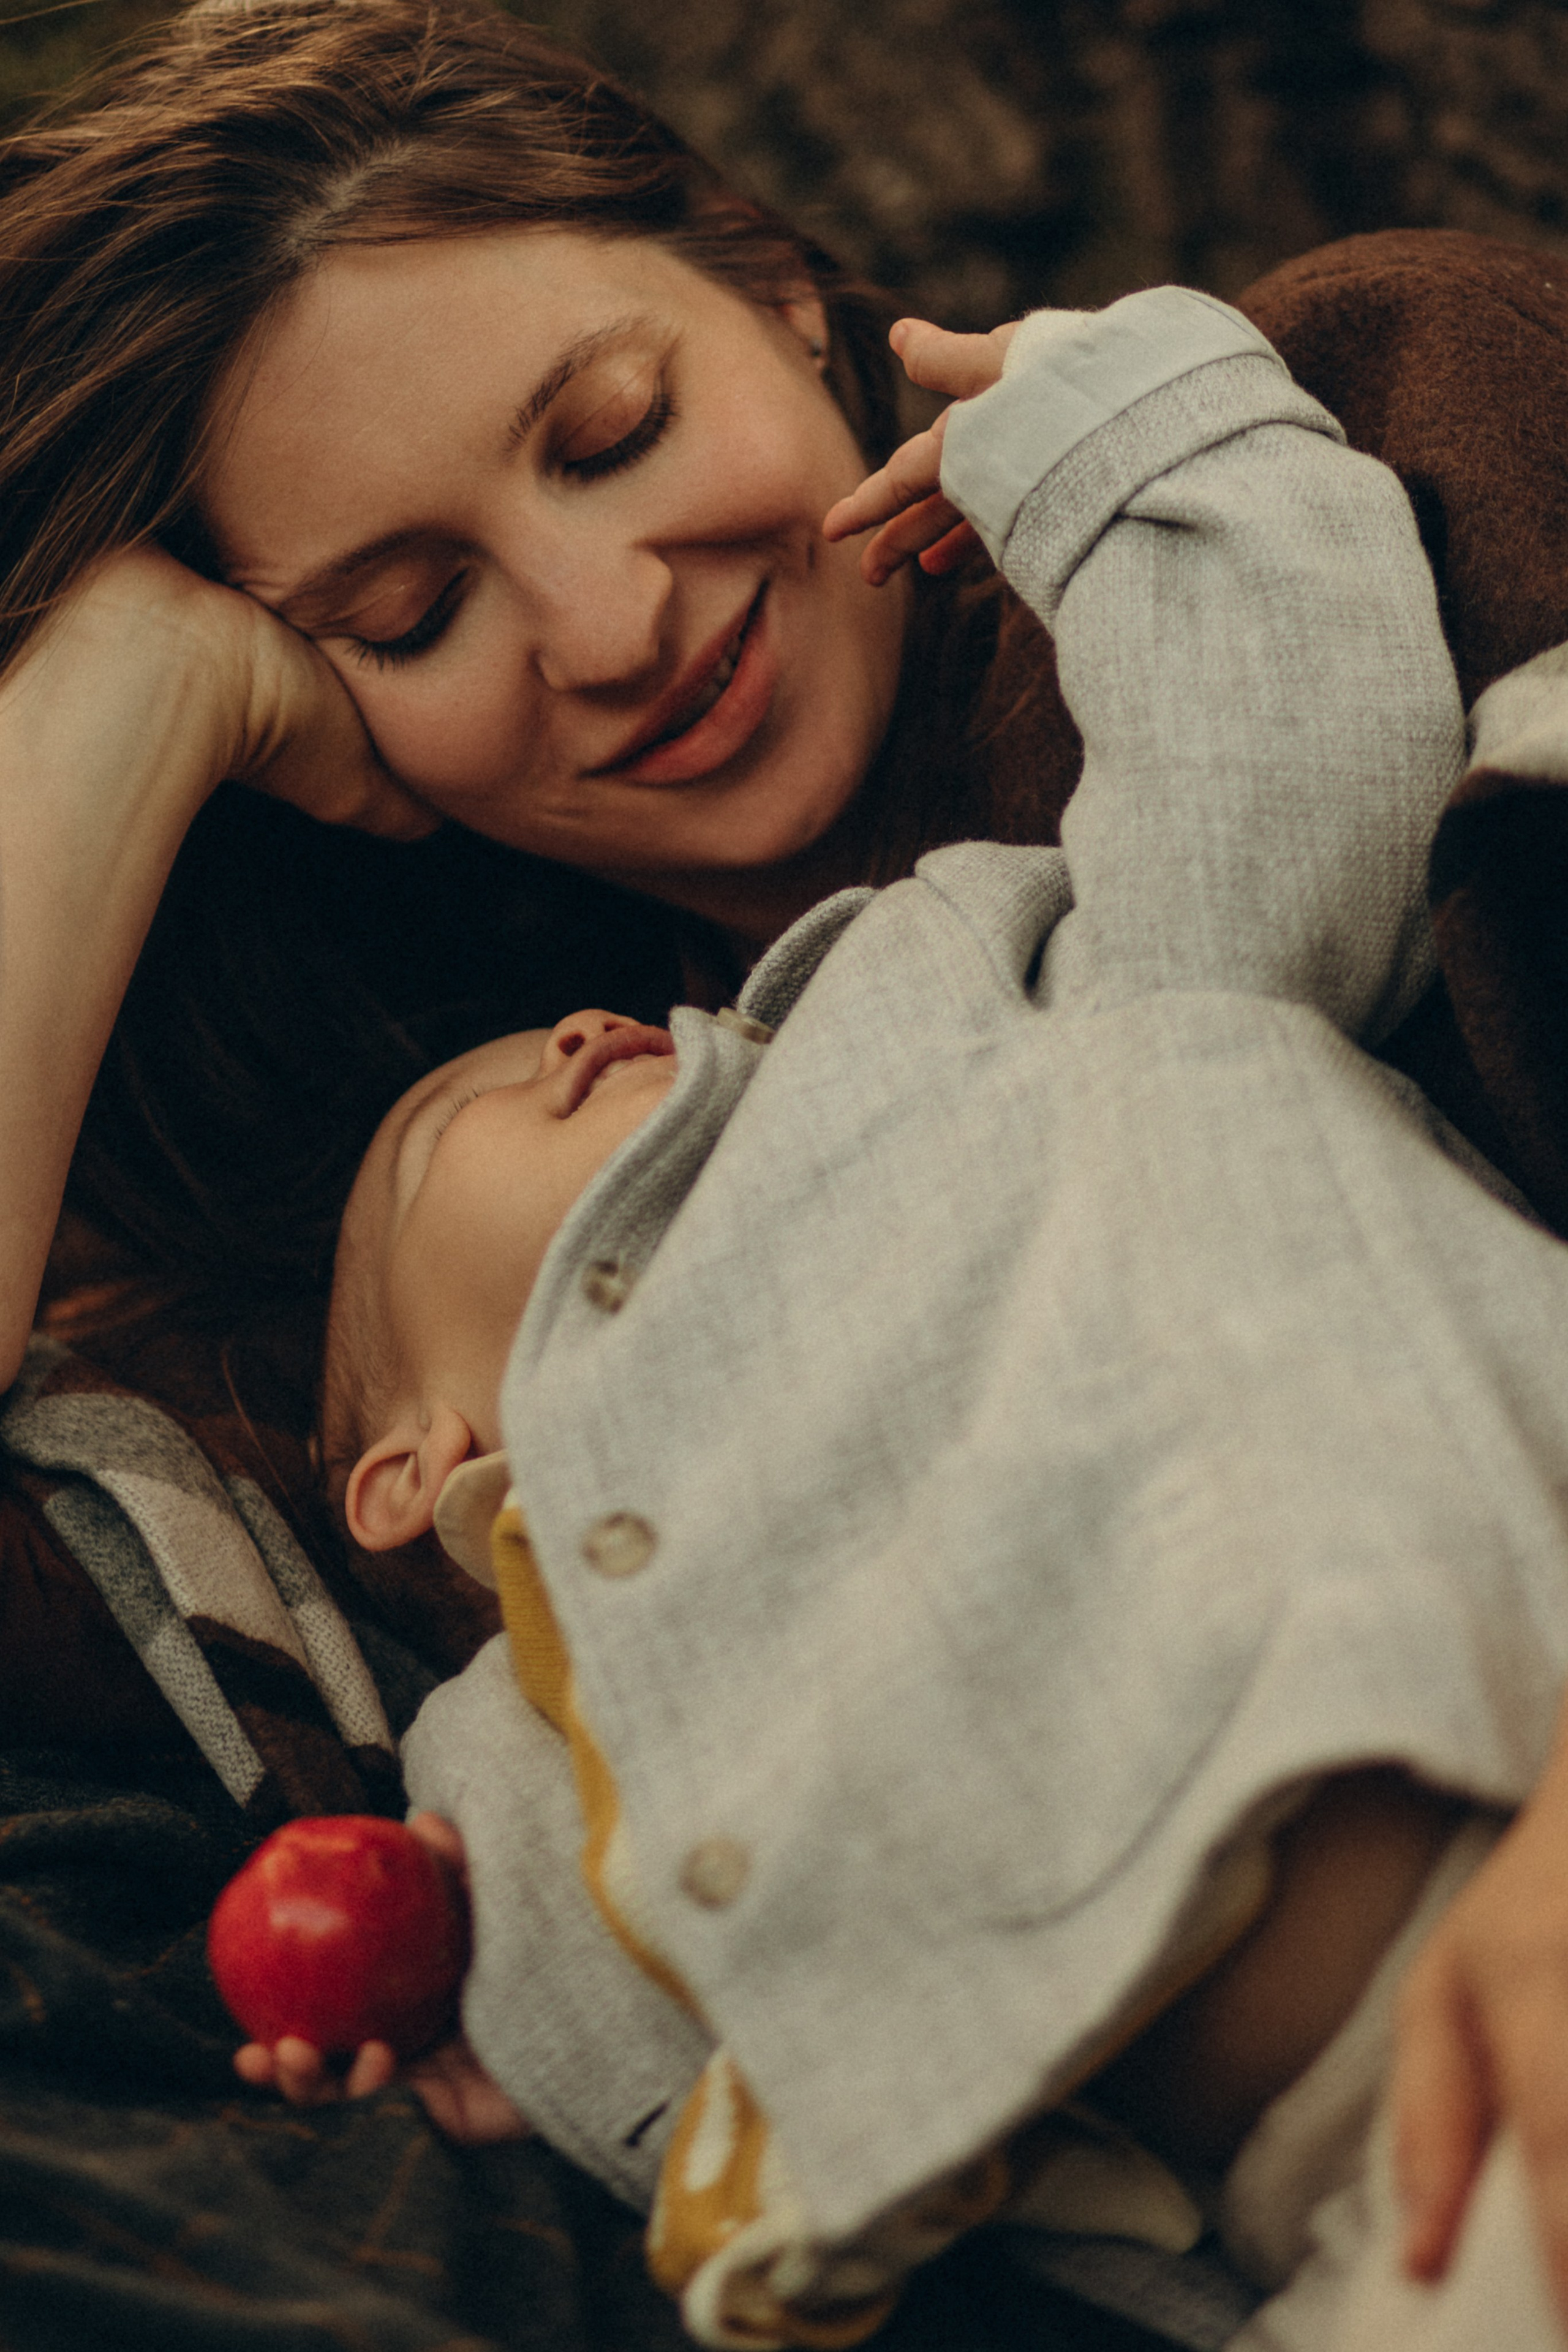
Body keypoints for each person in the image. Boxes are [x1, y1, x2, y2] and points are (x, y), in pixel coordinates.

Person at [0, 0, 1564, 2332]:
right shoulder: (463, 1248)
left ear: (770, 276)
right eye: (407, 616)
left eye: (614, 431)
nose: (617, 625)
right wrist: (131, 695)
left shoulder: (1291, 454)